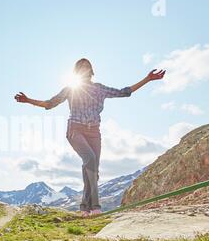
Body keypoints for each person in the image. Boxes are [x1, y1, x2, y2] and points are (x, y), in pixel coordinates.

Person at [14, 58, 165, 217]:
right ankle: (95, 206)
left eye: (87, 67)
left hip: (94, 132)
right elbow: (49, 104)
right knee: (90, 160)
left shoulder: (100, 89)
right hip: (75, 130)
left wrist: (148, 79)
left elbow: (124, 92)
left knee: (92, 169)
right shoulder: (70, 89)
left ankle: (84, 209)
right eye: (81, 68)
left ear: (91, 71)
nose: (85, 70)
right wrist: (28, 100)